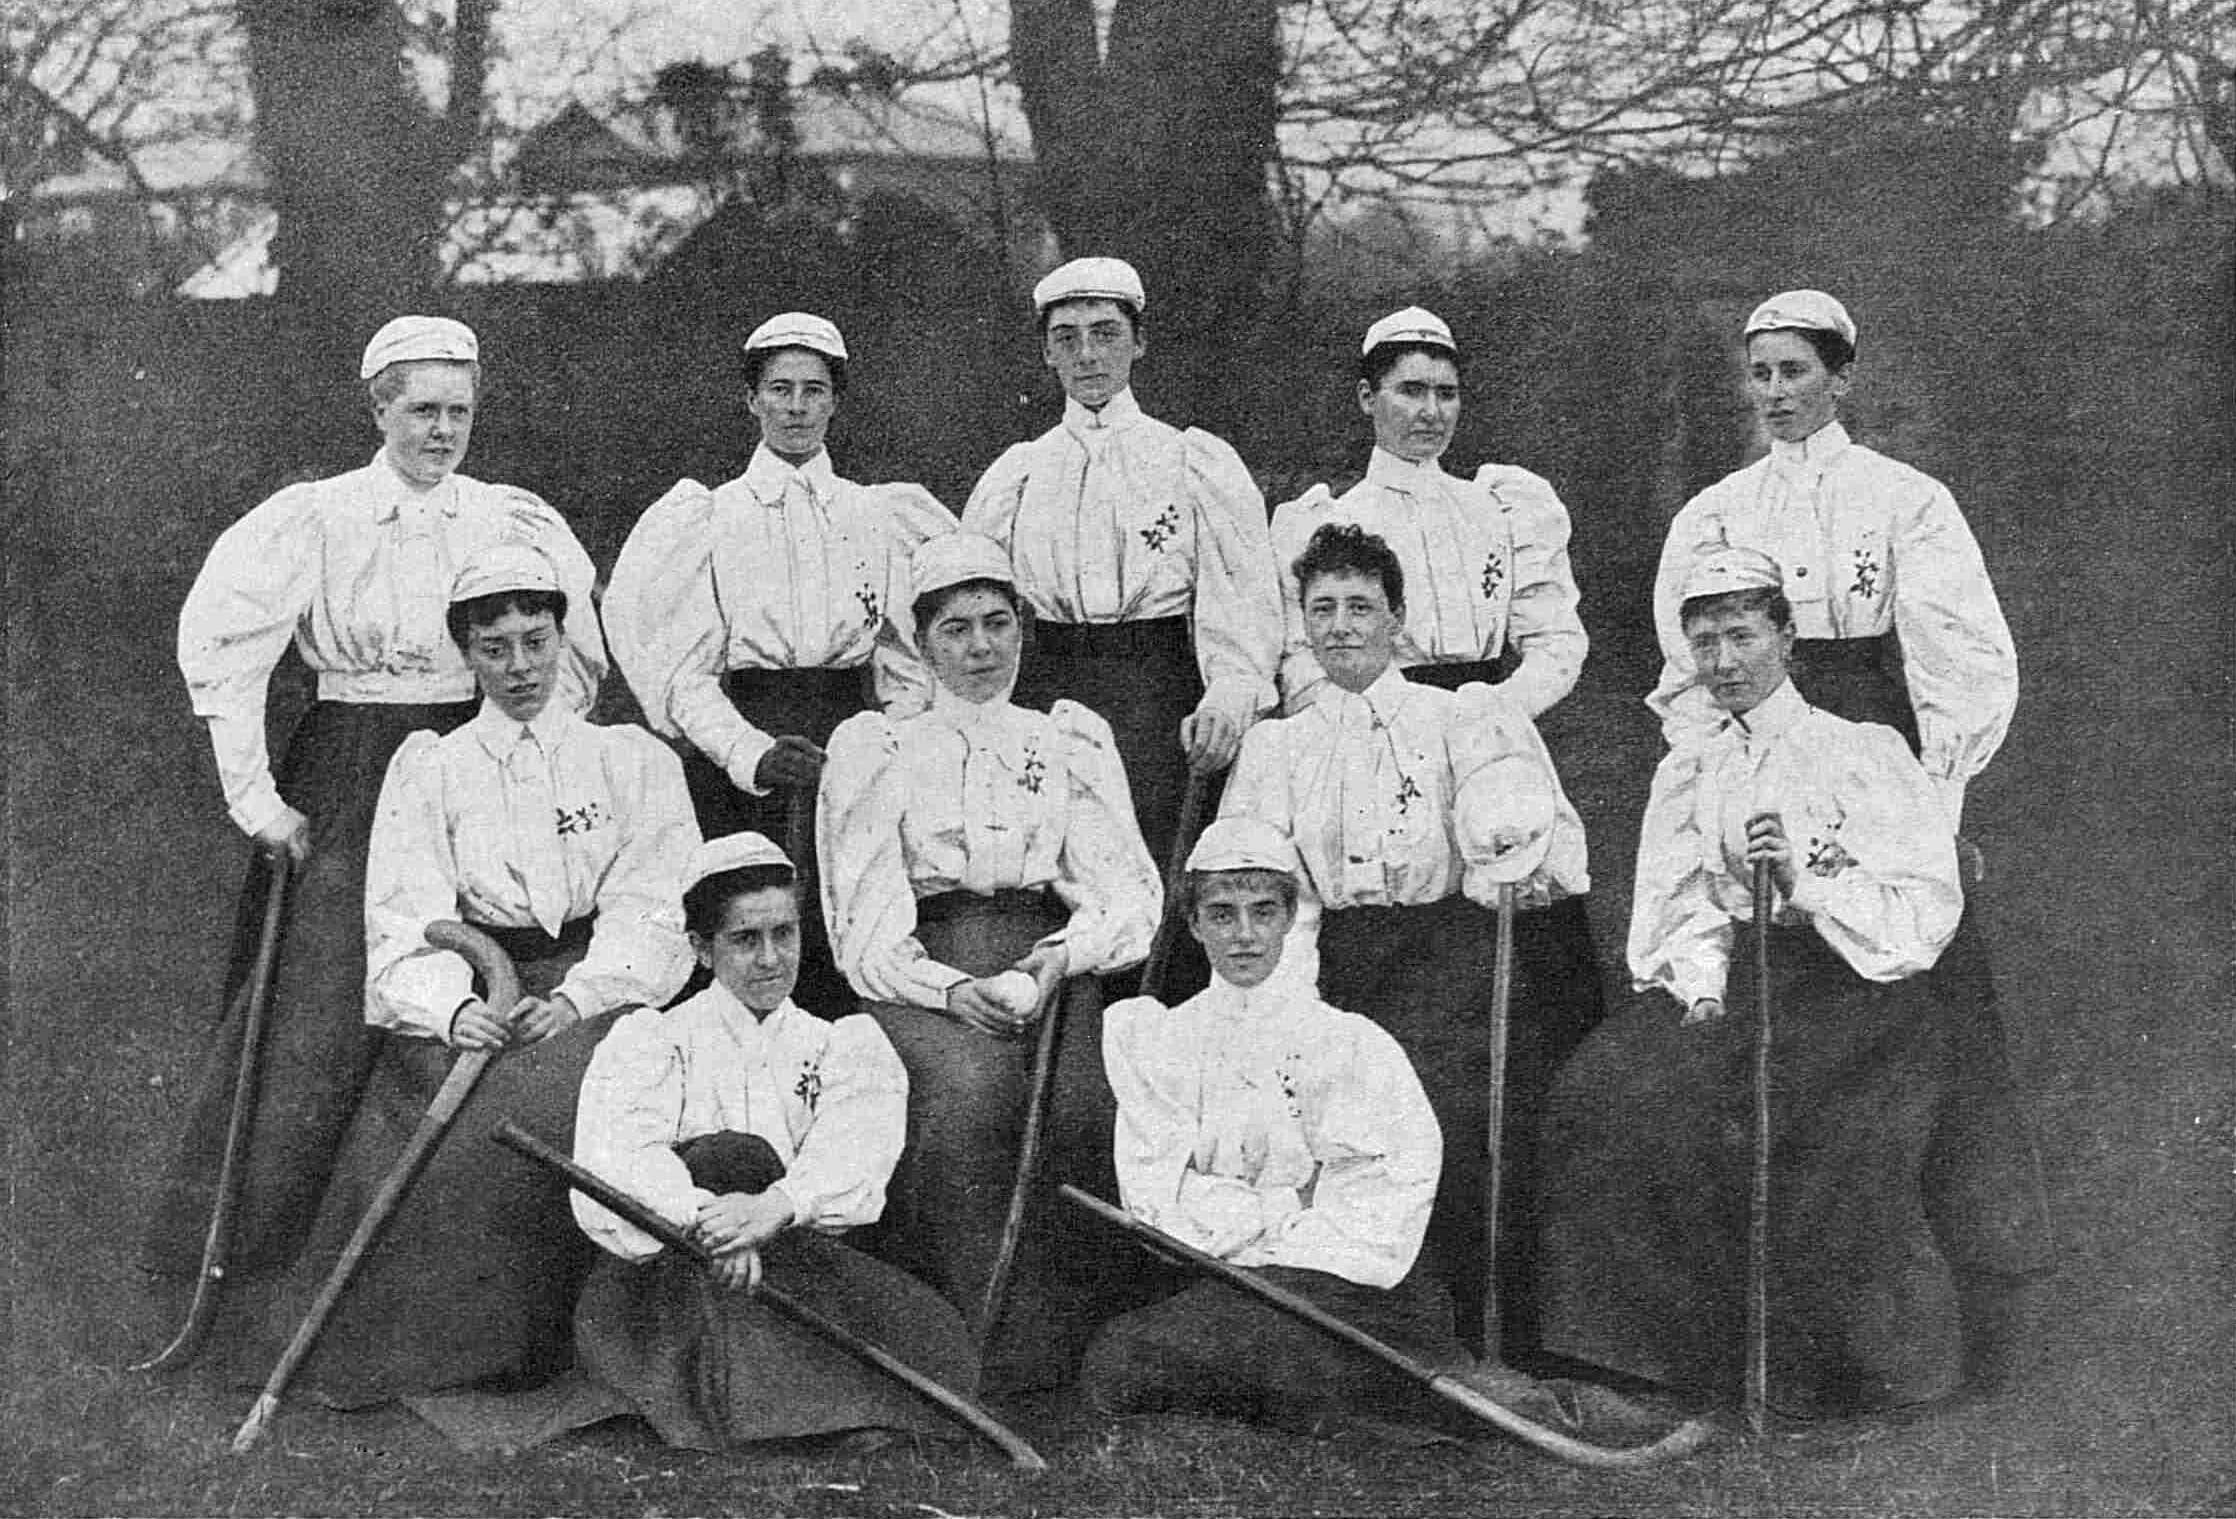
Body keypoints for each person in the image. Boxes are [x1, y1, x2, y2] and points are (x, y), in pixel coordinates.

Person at [1643, 290, 2048, 1378]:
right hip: (1760, 751)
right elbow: (1694, 684)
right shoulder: (1716, 514)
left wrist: (1924, 821)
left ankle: (1978, 1318)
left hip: (1879, 756)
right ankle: (1770, 1328)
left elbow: (1961, 672)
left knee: (1935, 1034)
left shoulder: (1905, 501)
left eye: (1794, 371)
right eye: (1759, 373)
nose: (1774, 393)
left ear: (1840, 377)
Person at [148, 315, 605, 1280]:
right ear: (379, 407)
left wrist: (534, 765)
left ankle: (438, 1263)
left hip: (476, 760)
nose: (443, 431)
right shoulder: (319, 516)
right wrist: (258, 799)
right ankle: (256, 1256)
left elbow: (568, 665)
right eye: (423, 410)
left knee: (485, 979)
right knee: (327, 998)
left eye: (461, 412)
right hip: (355, 760)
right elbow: (224, 651)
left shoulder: (508, 518)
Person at [1539, 547, 2022, 1416]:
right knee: (1606, 1090)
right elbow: (1679, 899)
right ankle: (1655, 1362)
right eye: (1706, 643)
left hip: (1863, 988)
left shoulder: (1861, 751)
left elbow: (1923, 908)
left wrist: (1807, 885)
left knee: (1800, 1114)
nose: (1723, 662)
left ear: (1786, 638)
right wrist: (1703, 985)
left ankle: (1843, 1366)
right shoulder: (1692, 767)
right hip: (1743, 977)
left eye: (1741, 636)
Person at [227, 541, 697, 1405]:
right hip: (478, 988)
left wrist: (578, 995)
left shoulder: (631, 760)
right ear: (467, 654)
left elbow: (655, 906)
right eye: (494, 647)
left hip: (594, 984)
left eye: (536, 639)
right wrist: (451, 1010)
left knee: (592, 1082)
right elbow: (403, 915)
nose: (519, 666)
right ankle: (462, 1350)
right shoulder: (433, 766)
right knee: (463, 1100)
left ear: (564, 639)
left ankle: (598, 1344)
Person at [1221, 521, 1590, 1360]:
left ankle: (1480, 1328)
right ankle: (1359, 1330)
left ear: (1398, 620)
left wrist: (1520, 869)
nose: (1342, 625)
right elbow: (1272, 887)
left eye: (1362, 606)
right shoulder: (1281, 746)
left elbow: (1545, 843)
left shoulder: (1458, 716)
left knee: (1449, 1105)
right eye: (1324, 608)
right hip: (1336, 959)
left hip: (1447, 952)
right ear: (1304, 626)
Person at [818, 530, 1163, 1388]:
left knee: (1091, 1099)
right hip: (924, 969)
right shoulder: (879, 746)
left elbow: (1129, 896)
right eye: (956, 629)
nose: (980, 648)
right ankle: (964, 1346)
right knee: (971, 1096)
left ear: (1023, 631)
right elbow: (862, 929)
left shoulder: (1068, 740)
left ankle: (1079, 1351)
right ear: (923, 641)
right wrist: (950, 988)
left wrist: (1056, 957)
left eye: (997, 624)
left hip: (1047, 961)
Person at [560, 832, 980, 1451]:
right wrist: (713, 1228)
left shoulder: (840, 1043)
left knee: (930, 1339)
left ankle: (797, 1404)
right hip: (671, 1276)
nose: (769, 959)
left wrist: (770, 1210)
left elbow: (855, 1145)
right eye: (744, 939)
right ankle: (797, 1409)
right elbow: (622, 1157)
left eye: (784, 934)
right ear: (702, 949)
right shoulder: (652, 1039)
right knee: (726, 1154)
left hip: (788, 1264)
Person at [603, 311, 956, 1013]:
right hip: (744, 748)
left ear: (835, 401)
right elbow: (683, 674)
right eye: (780, 389)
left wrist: (885, 739)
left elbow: (911, 658)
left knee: (849, 930)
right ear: (752, 399)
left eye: (814, 390)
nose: (796, 407)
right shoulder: (708, 518)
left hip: (849, 742)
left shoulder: (878, 515)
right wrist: (750, 753)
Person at [1079, 817, 1472, 1424]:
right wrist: (1290, 1201)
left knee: (1325, 1354)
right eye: (1222, 914)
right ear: (1194, 925)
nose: (1244, 937)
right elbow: (1156, 1202)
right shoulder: (1160, 1040)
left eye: (1263, 912)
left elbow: (1381, 1197)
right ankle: (1319, 1402)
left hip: (1341, 1287)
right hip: (1226, 1283)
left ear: (1290, 919)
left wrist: (1266, 1235)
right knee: (1118, 1362)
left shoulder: (1347, 1043)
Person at [961, 257, 1282, 886]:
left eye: (1105, 334)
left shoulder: (1190, 461)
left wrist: (1229, 693)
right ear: (1047, 355)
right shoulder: (1019, 475)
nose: (1087, 356)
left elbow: (1240, 598)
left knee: (1162, 869)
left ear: (1139, 343)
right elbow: (968, 603)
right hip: (1049, 689)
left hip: (1160, 696)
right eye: (1066, 338)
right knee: (1061, 871)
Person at [1270, 306, 1587, 718]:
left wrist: (1499, 710)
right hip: (1371, 732)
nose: (1432, 412)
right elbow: (1300, 661)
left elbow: (1555, 640)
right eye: (1411, 391)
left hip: (1489, 728)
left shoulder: (1502, 508)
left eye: (1446, 394)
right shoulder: (1326, 521)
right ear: (1368, 397)